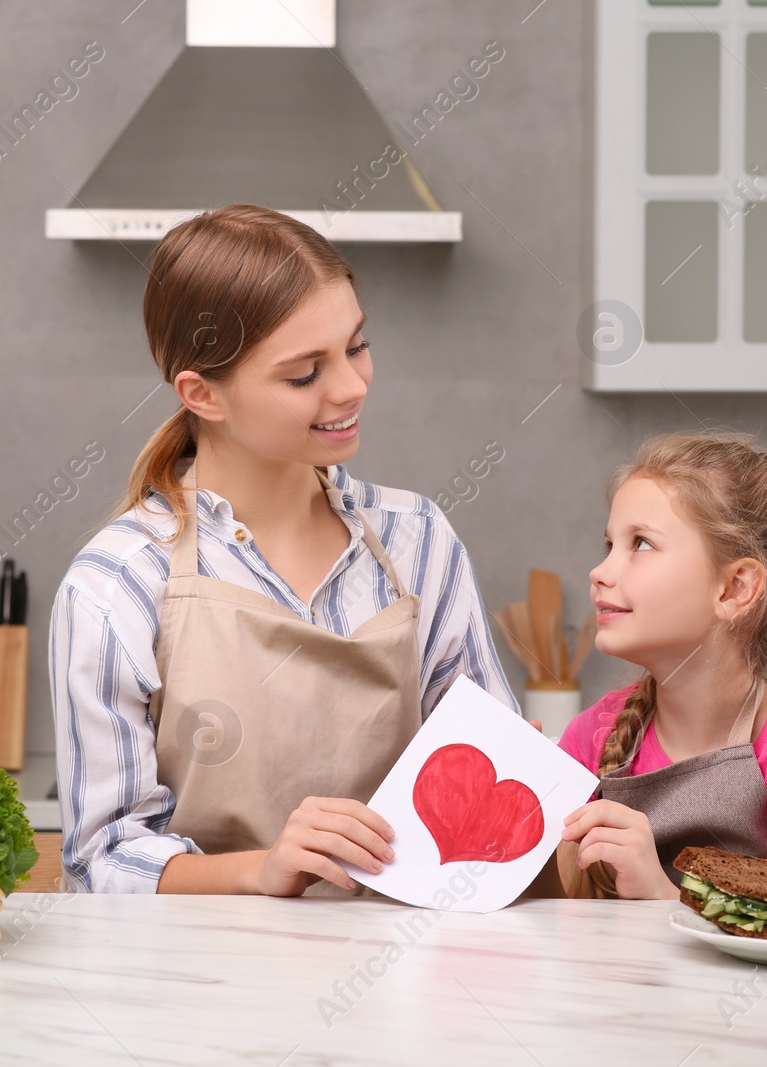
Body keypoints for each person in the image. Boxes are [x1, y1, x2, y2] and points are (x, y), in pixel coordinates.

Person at [51, 204, 518, 898]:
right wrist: (264, 868)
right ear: (201, 393)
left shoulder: (418, 540)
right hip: (194, 988)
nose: (353, 385)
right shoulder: (117, 583)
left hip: (399, 978)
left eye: (356, 346)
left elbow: (490, 785)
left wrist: (527, 778)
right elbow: (102, 858)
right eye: (305, 373)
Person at [555, 432, 767, 899]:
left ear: (734, 589)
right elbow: (551, 919)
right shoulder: (590, 736)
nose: (600, 571)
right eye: (608, 544)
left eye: (641, 544)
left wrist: (661, 896)